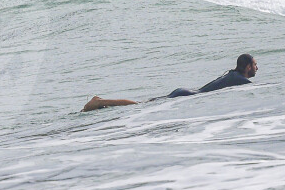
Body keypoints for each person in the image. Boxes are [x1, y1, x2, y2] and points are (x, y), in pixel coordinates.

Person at [82, 54, 258, 112]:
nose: (257, 68)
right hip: (186, 96)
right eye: (255, 64)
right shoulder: (240, 80)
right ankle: (100, 102)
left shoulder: (232, 74)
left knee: (143, 104)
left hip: (185, 92)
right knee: (139, 106)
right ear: (248, 66)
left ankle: (102, 104)